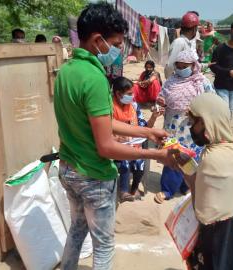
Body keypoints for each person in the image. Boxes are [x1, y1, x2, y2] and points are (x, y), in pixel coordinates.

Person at [53, 3, 177, 269]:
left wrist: (147, 131)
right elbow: (107, 146)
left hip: (69, 169)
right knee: (104, 245)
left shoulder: (66, 71)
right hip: (93, 175)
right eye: (117, 43)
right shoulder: (94, 78)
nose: (120, 50)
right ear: (98, 41)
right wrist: (155, 153)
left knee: (77, 229)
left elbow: (104, 123)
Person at [178, 93, 233, 270]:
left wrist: (186, 172)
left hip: (217, 234)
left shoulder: (212, 158)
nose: (192, 128)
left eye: (194, 123)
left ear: (206, 121)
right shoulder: (231, 146)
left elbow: (202, 212)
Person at [154, 49, 214, 204]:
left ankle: (185, 186)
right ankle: (167, 189)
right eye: (179, 66)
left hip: (191, 128)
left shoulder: (202, 82)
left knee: (190, 157)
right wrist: (160, 102)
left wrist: (197, 111)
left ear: (193, 65)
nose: (181, 69)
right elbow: (162, 95)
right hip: (172, 125)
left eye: (184, 66)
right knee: (173, 155)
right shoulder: (170, 81)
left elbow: (212, 103)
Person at [112, 77, 164, 202]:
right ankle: (123, 191)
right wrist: (117, 137)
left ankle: (133, 189)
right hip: (114, 147)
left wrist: (154, 116)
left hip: (133, 144)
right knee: (125, 161)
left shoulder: (133, 107)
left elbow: (145, 128)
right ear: (118, 94)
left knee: (140, 163)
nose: (132, 96)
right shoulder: (109, 108)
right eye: (129, 94)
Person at [210, 20, 233, 115]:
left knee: (230, 112)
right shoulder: (220, 48)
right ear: (230, 31)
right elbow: (213, 67)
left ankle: (225, 129)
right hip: (220, 86)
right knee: (224, 111)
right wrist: (229, 72)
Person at [165, 12, 200, 79]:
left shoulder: (190, 43)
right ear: (194, 29)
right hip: (179, 83)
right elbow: (169, 67)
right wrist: (171, 84)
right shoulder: (179, 42)